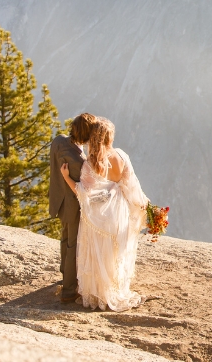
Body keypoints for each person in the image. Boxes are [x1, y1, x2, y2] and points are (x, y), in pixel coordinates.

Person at [60, 116, 150, 311]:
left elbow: (81, 192)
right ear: (110, 137)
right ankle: (115, 290)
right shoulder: (121, 157)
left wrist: (66, 177)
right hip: (119, 212)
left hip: (98, 215)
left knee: (98, 252)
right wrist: (142, 203)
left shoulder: (90, 164)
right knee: (115, 253)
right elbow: (131, 185)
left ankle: (99, 293)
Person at [49, 112, 95, 304]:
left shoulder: (59, 141)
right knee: (73, 244)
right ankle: (69, 290)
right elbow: (81, 189)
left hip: (58, 200)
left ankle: (64, 274)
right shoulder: (79, 162)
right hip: (73, 205)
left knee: (65, 238)